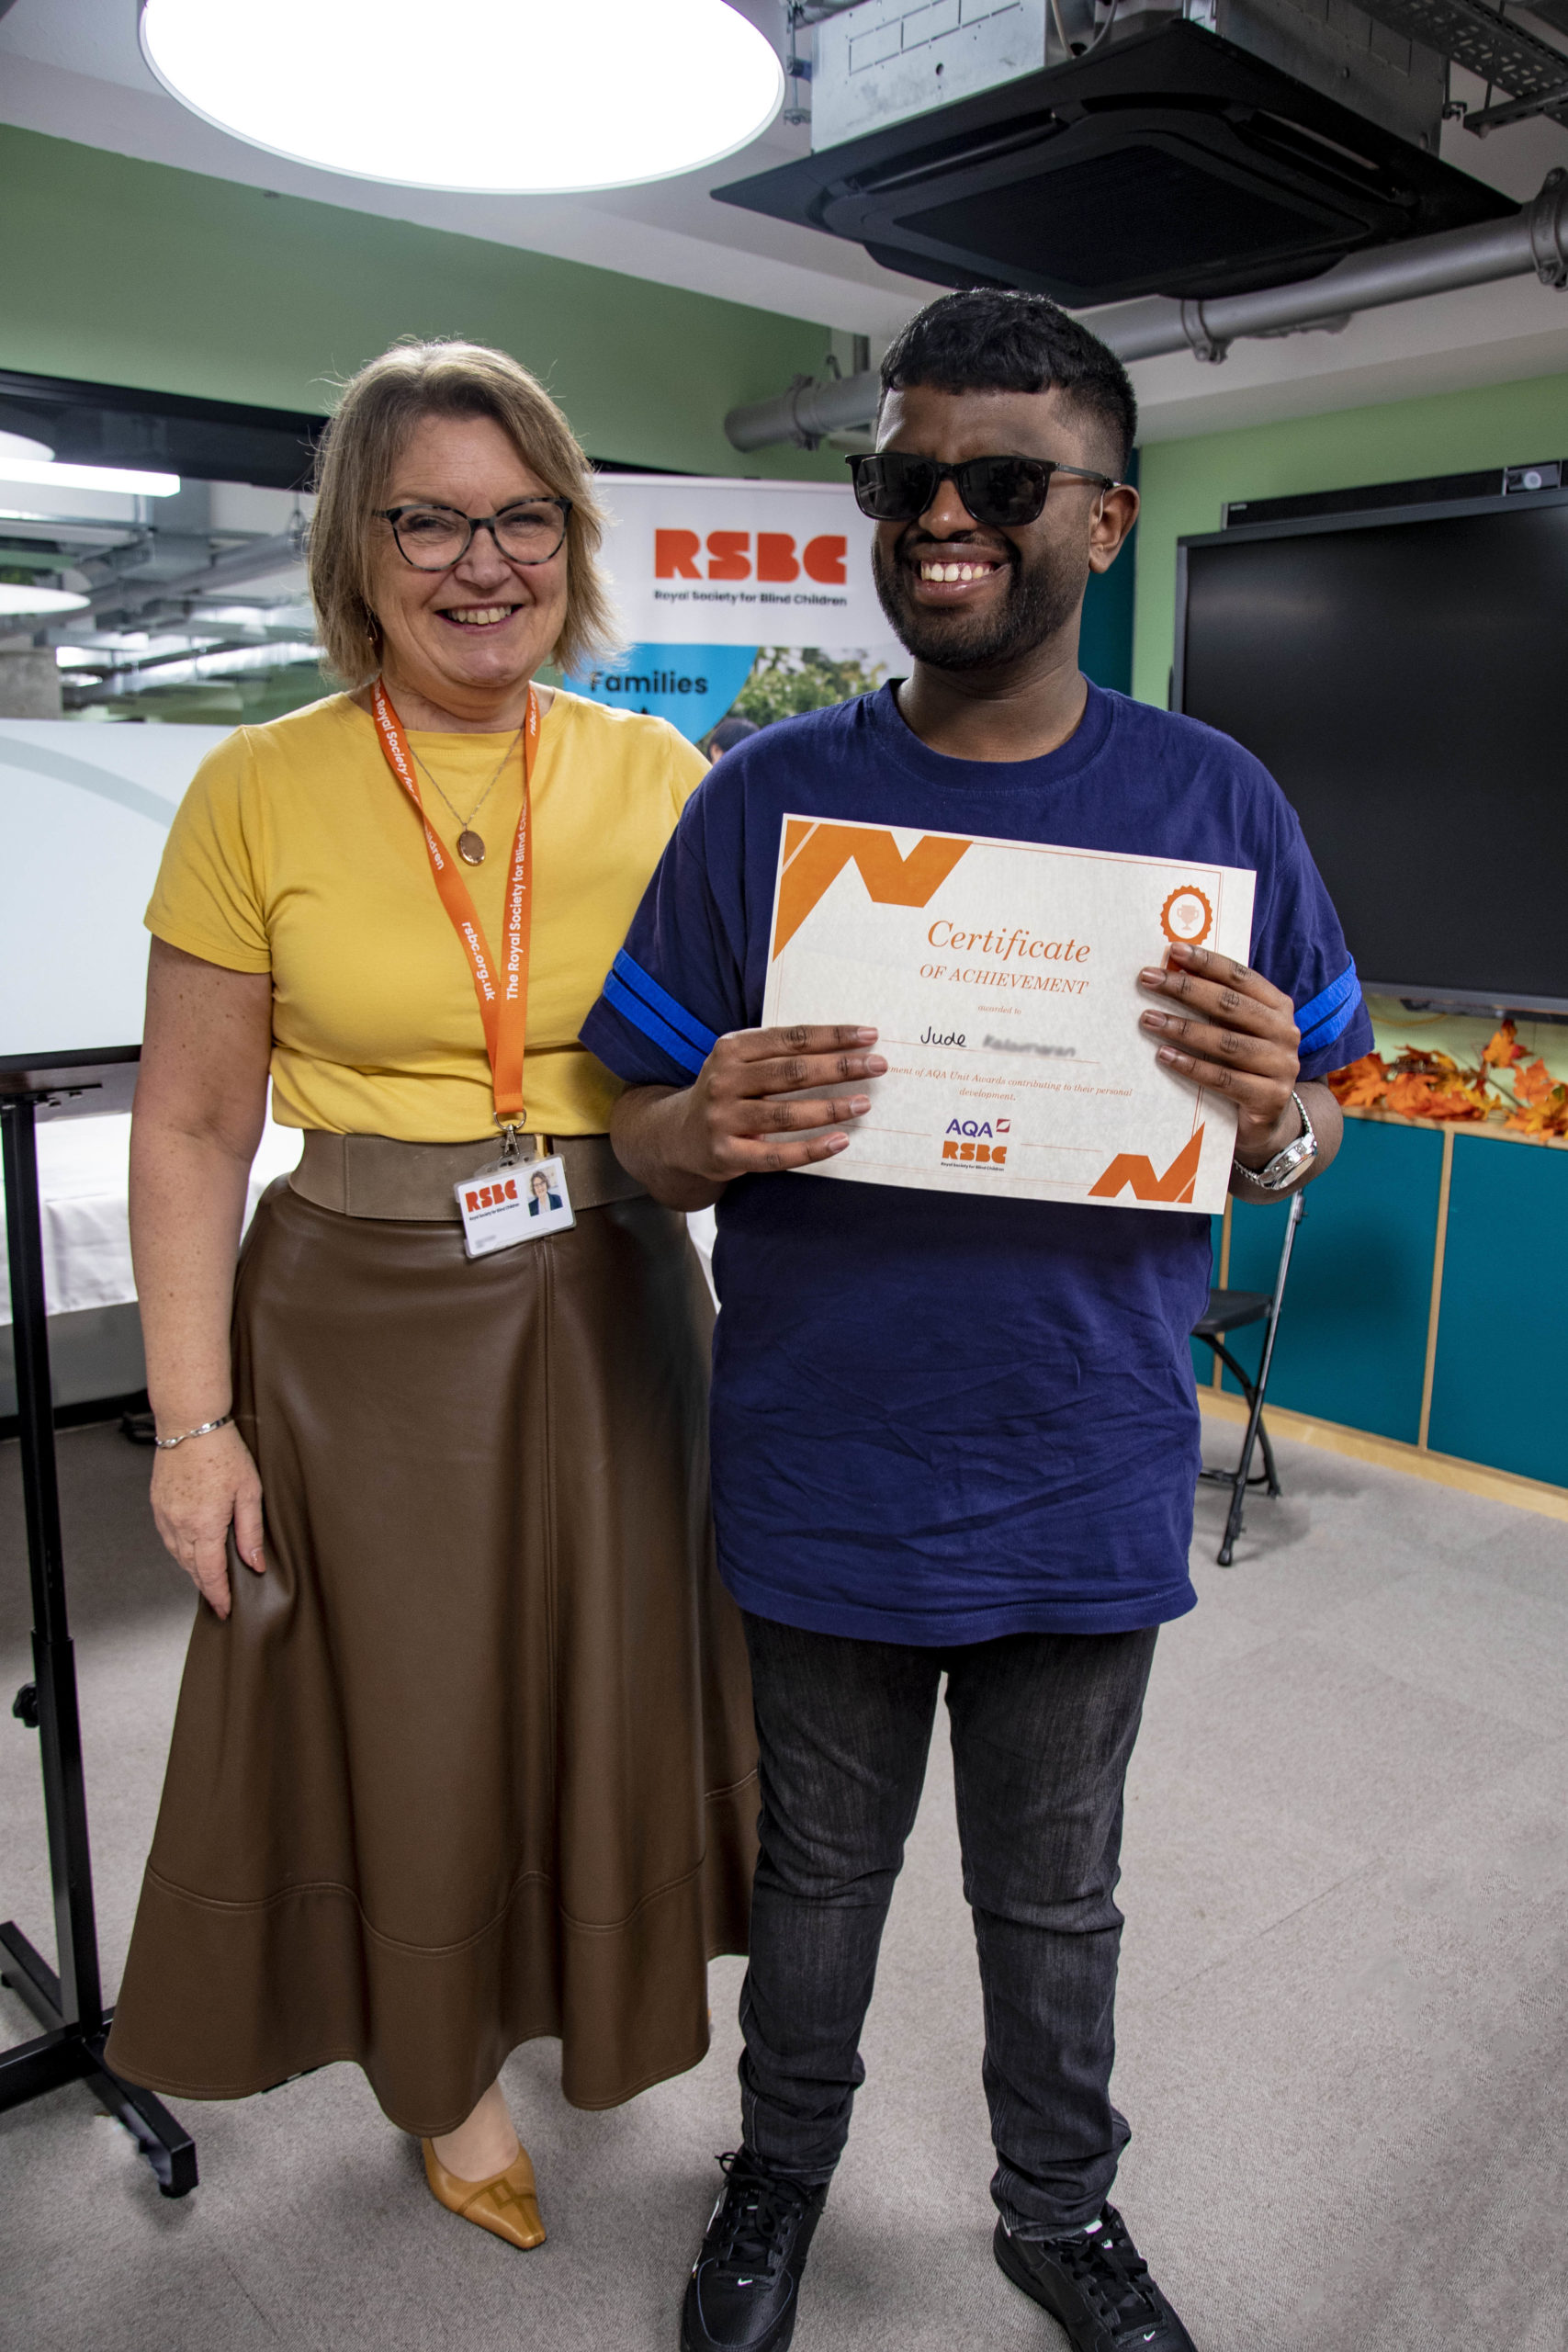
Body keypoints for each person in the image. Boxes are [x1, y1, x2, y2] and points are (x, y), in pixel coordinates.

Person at [581, 289, 1373, 2352]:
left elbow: (1318, 1114)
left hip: (1081, 1455)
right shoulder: (762, 799)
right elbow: (632, 1125)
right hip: (826, 1455)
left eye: (1001, 481)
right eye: (905, 476)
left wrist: (1272, 1117)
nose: (942, 515)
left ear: (1103, 519)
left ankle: (1058, 2209)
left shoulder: (1214, 800)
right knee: (818, 1877)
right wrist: (697, 1126)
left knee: (1053, 1891)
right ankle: (777, 2175)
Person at [105, 339, 758, 2251]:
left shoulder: (662, 775)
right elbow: (192, 1126)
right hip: (356, 1322)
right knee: (411, 1711)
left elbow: (759, 1055)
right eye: (430, 522)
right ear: (356, 548)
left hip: (615, 1290)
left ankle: (593, 1989)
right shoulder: (256, 787)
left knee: (603, 1679)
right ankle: (439, 2063)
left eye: (522, 518)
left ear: (571, 536)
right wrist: (192, 1424)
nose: (485, 563)